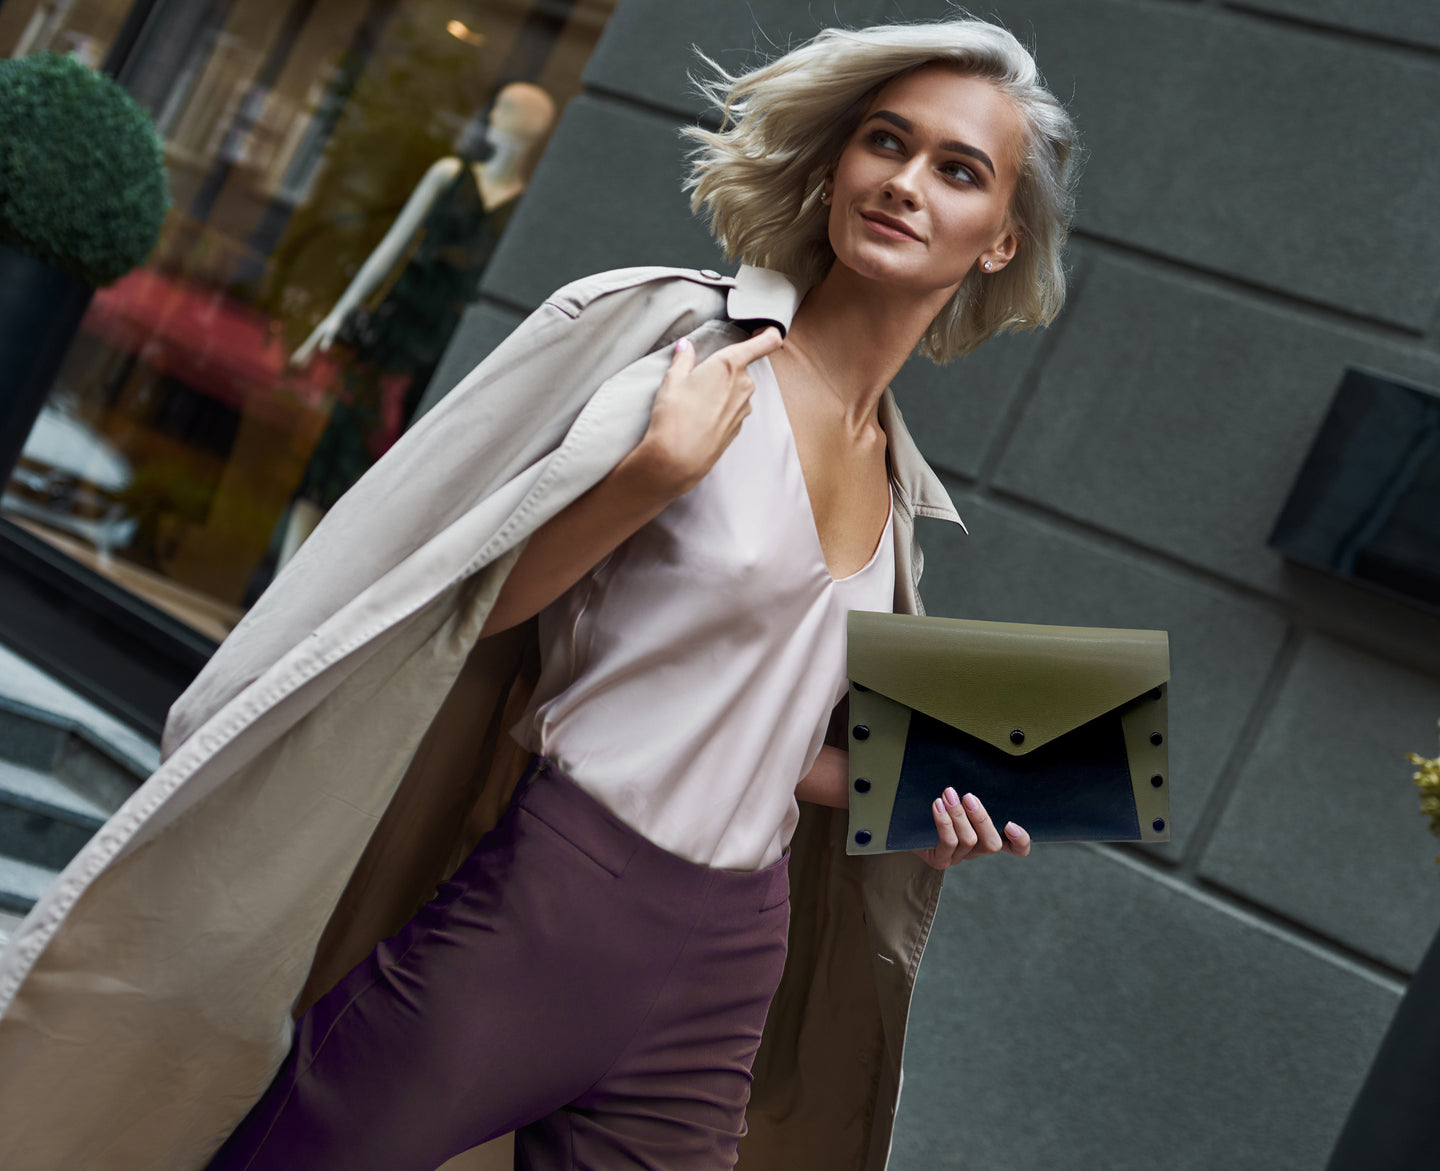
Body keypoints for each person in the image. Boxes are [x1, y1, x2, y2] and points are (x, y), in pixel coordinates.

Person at [0, 16, 1078, 1171]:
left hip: (728, 957)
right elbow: (466, 609)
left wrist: (921, 804)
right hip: (553, 898)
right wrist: (649, 477)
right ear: (836, 167)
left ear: (1000, 241)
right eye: (887, 142)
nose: (908, 182)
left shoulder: (899, 492)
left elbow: (762, 739)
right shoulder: (679, 346)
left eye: (957, 170)